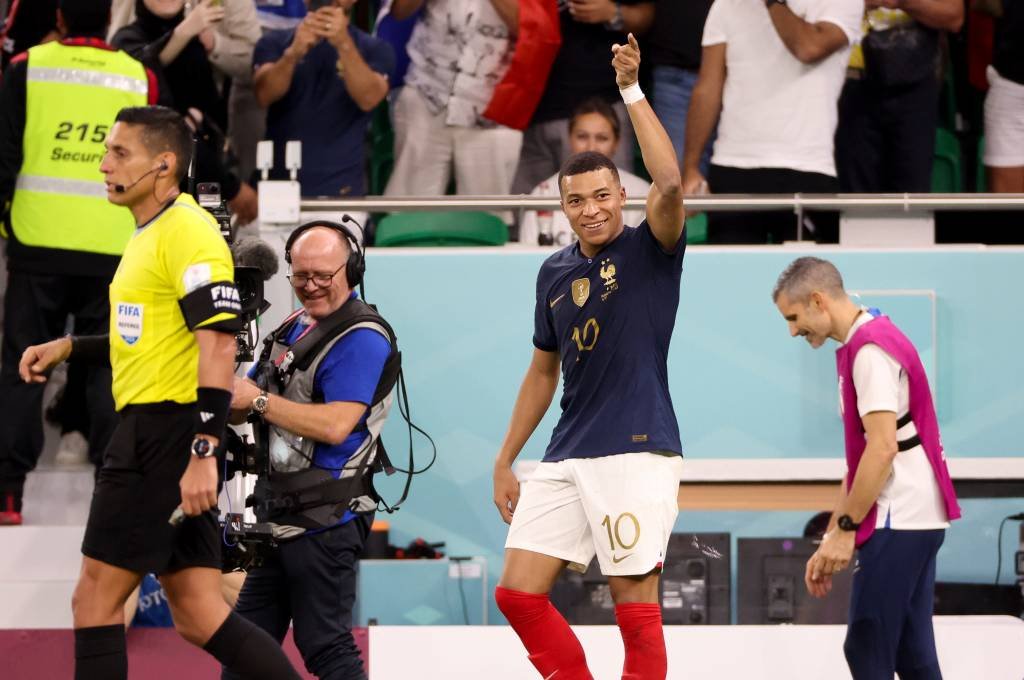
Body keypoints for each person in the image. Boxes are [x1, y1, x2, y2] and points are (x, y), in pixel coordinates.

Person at [17, 105, 300, 680]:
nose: (103, 164)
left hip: (163, 438)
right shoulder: (153, 232)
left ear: (164, 164)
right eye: (106, 152)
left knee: (93, 602)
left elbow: (219, 345)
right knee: (197, 613)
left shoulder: (188, 232)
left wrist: (201, 450)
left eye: (120, 153)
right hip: (162, 433)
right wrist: (71, 347)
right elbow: (147, 337)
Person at [493, 34, 685, 680]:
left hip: (635, 449)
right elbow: (541, 371)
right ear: (563, 207)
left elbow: (671, 179)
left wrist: (631, 88)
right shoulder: (551, 272)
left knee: (634, 606)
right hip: (567, 450)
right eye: (577, 200)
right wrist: (505, 457)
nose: (591, 209)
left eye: (602, 196)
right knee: (516, 592)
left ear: (620, 196)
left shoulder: (649, 248)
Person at [0, 0, 157, 525]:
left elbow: (4, 158)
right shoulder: (139, 77)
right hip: (115, 248)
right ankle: (111, 496)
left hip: (36, 241)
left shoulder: (26, 67)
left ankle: (8, 497)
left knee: (25, 365)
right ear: (110, 16)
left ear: (60, 15)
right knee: (110, 367)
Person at [772, 256, 961, 680]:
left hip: (901, 516)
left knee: (866, 647)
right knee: (913, 654)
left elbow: (882, 450)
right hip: (916, 516)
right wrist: (833, 536)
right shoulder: (871, 337)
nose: (792, 330)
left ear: (818, 300)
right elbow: (860, 461)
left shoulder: (870, 351)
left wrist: (845, 527)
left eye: (793, 316)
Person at [226, 221, 398, 680]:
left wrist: (256, 401)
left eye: (324, 274)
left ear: (353, 269)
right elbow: (248, 404)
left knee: (324, 643)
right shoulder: (292, 325)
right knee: (245, 646)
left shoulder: (361, 337)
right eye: (301, 276)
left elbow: (337, 425)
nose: (312, 286)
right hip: (278, 513)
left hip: (327, 518)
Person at [683, 0, 863, 244]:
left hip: (807, 169)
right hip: (734, 167)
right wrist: (691, 166)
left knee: (807, 281)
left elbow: (808, 48)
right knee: (732, 278)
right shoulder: (727, 4)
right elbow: (707, 87)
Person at [112, 0, 259, 227]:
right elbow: (138, 69)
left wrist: (227, 182)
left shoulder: (197, 46)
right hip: (149, 181)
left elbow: (208, 120)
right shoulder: (128, 38)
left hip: (203, 176)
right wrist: (185, 30)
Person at [510, 0, 655, 195]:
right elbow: (521, 22)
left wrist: (614, 12)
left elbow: (648, 16)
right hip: (534, 103)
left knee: (606, 200)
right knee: (532, 208)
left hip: (603, 100)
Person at [254, 0, 393, 201]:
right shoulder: (274, 42)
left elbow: (369, 98)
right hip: (278, 191)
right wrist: (293, 54)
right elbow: (263, 95)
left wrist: (343, 44)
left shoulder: (375, 49)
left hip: (341, 192)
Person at [383, 0, 521, 202]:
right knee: (409, 208)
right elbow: (398, 12)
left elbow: (529, 26)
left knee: (486, 216)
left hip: (494, 107)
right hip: (427, 94)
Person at [835, 0, 963, 193]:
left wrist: (898, 2)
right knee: (855, 201)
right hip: (847, 82)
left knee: (912, 200)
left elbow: (954, 16)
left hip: (913, 81)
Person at [519, 97, 650, 246]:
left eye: (602, 138)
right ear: (569, 138)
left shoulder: (642, 191)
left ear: (617, 143)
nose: (591, 146)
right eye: (582, 137)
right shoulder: (543, 193)